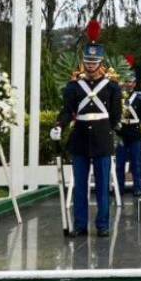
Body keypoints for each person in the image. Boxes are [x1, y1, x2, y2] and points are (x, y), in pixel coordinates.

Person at [51, 20, 122, 237]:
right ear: (83, 63)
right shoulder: (73, 87)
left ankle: (103, 225)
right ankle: (80, 226)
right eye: (88, 62)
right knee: (80, 187)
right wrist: (59, 125)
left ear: (101, 63)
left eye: (95, 62)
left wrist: (106, 130)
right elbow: (67, 111)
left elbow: (116, 115)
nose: (91, 66)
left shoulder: (112, 87)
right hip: (80, 138)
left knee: (102, 186)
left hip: (102, 139)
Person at [116, 55, 141, 198]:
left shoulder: (139, 98)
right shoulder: (118, 97)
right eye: (126, 81)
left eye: (131, 82)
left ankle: (138, 187)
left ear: (135, 83)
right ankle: (119, 188)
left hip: (134, 132)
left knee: (136, 163)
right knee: (119, 165)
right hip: (121, 132)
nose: (128, 84)